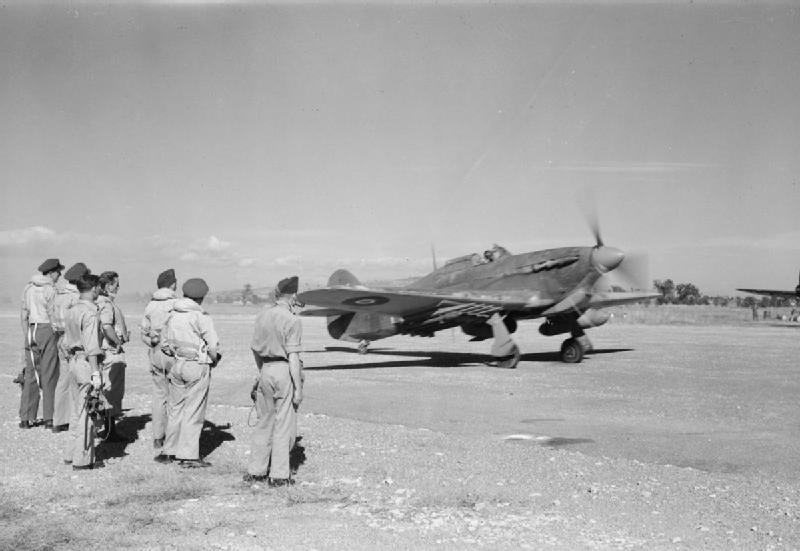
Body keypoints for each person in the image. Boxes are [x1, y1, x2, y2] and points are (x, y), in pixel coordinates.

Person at [244, 275, 304, 486]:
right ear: (294, 295)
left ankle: (256, 471)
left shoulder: (262, 315)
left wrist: (262, 371)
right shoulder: (292, 320)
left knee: (264, 422)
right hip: (284, 369)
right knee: (283, 424)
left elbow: (254, 348)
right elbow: (293, 357)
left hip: (265, 369)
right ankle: (279, 475)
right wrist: (298, 388)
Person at [156, 278, 221, 467]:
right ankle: (188, 456)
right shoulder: (201, 316)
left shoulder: (172, 314)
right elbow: (213, 346)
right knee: (193, 411)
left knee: (175, 409)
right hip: (195, 365)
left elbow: (165, 344)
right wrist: (214, 360)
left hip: (177, 364)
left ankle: (169, 451)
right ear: (202, 297)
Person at [62, 274, 104, 470]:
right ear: (94, 288)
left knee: (76, 411)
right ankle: (83, 459)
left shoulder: (71, 310)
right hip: (86, 364)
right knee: (88, 412)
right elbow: (92, 347)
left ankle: (70, 454)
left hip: (73, 362)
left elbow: (64, 341)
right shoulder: (91, 313)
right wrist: (96, 374)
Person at [19, 258, 63, 429]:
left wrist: (27, 334)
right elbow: (54, 315)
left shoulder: (28, 287)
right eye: (58, 272)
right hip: (46, 329)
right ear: (51, 272)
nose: (60, 275)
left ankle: (26, 417)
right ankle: (49, 417)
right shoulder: (50, 289)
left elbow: (23, 314)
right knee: (49, 373)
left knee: (31, 373)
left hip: (31, 328)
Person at [140, 268, 178, 451]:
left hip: (155, 353)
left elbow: (144, 334)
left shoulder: (151, 305)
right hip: (174, 354)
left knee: (158, 395)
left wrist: (153, 341)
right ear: (173, 284)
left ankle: (157, 437)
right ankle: (174, 437)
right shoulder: (177, 303)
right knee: (177, 397)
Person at [51, 262, 91, 433]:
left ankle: (58, 420)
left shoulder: (58, 294)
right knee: (78, 380)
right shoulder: (76, 297)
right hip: (73, 341)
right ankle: (77, 418)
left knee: (63, 379)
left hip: (60, 339)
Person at [96, 271, 130, 441]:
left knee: (106, 390)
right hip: (111, 352)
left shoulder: (100, 302)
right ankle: (110, 431)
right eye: (116, 284)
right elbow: (106, 326)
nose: (118, 287)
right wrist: (117, 342)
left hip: (105, 351)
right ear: (108, 285)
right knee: (112, 391)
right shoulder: (106, 304)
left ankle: (107, 428)